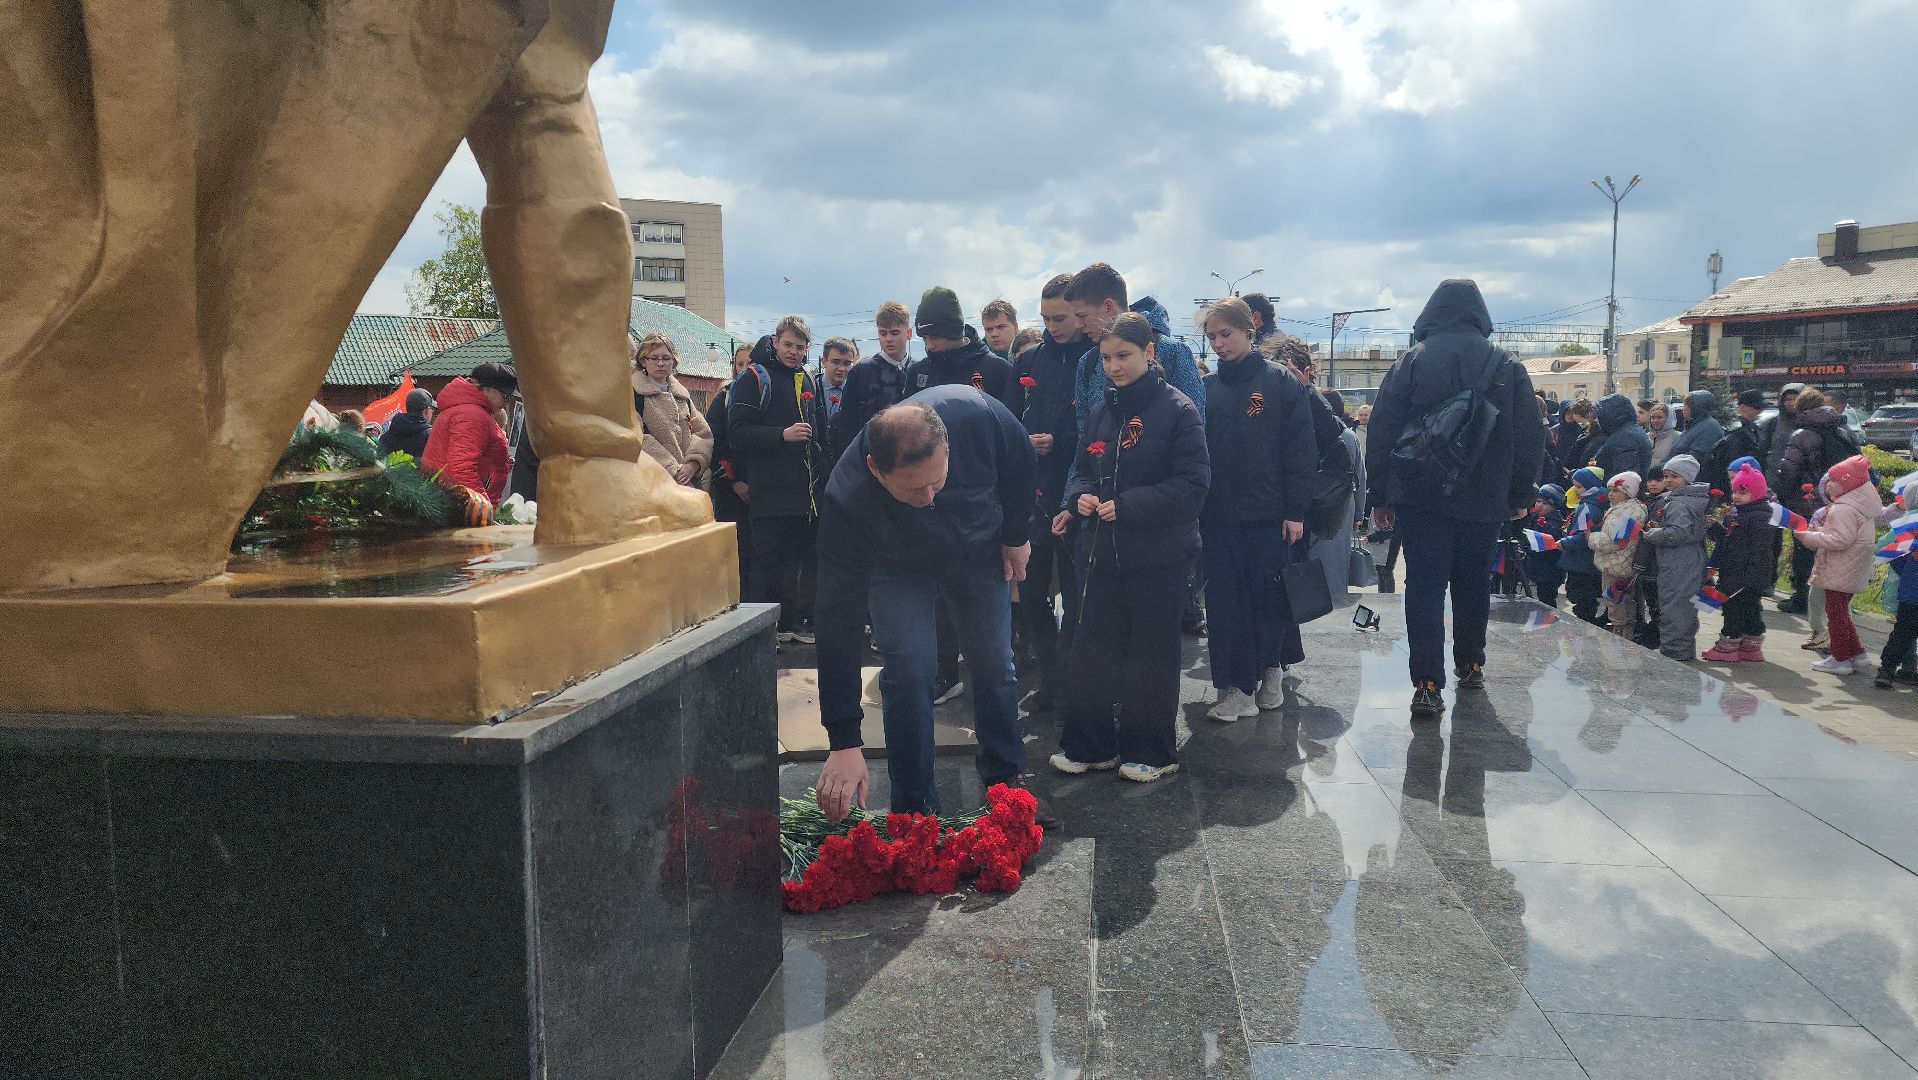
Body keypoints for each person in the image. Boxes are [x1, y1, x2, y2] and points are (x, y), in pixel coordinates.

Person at [811, 390, 1041, 821]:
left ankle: (1006, 786)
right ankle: (914, 811)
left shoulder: (980, 417)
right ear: (876, 470)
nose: (930, 496)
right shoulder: (847, 500)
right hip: (897, 567)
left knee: (993, 662)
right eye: (914, 489)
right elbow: (836, 619)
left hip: (977, 547)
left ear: (948, 448)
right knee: (909, 668)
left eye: (939, 480)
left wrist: (1015, 533)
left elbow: (1021, 466)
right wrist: (843, 740)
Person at [1366, 279, 1544, 719]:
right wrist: (1521, 493)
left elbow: (1382, 429)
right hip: (1484, 497)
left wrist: (1381, 494)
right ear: (1479, 315)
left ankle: (1426, 682)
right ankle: (1470, 662)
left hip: (1420, 495)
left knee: (1424, 586)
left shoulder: (1411, 361)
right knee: (1473, 583)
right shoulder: (1506, 365)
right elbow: (1529, 435)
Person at [1049, 313, 1209, 783]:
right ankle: (1090, 745)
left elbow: (1193, 487)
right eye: (1107, 358)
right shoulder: (1102, 410)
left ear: (1150, 354)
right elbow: (1082, 467)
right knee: (1092, 651)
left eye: (1124, 356)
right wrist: (1080, 498)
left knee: (1150, 655)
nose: (1114, 367)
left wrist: (1130, 505)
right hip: (1101, 552)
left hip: (1158, 554)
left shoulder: (1179, 410)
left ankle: (1151, 751)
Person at [1198, 298, 1318, 721]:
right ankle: (1236, 687)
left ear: (1249, 330)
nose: (1218, 344)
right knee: (1226, 602)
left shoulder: (1281, 382)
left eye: (1225, 334)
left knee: (1267, 598)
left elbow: (1300, 450)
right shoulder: (1207, 389)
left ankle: (1271, 671)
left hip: (1269, 516)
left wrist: (1296, 511)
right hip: (1219, 516)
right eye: (1211, 337)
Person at [728, 316, 828, 645]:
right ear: (775, 342)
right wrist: (781, 435)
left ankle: (789, 625)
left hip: (804, 493)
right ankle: (760, 632)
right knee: (765, 564)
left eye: (800, 347)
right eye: (788, 345)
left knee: (795, 563)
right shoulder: (755, 377)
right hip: (769, 493)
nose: (794, 352)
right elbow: (737, 434)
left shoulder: (808, 378)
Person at [1014, 274, 1087, 712]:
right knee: (1032, 592)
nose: (1054, 326)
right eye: (1046, 318)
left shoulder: (1094, 358)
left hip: (1076, 491)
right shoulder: (1030, 361)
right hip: (1034, 494)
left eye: (1061, 317)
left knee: (1078, 596)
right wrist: (1025, 437)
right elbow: (1006, 418)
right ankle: (1050, 675)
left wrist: (1058, 441)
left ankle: (1075, 678)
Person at [1064, 263, 1205, 445]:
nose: (1078, 325)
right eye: (1107, 358)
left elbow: (1195, 435)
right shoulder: (1087, 362)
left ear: (1108, 306)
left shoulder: (1173, 352)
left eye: (1082, 316)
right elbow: (1085, 442)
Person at [1778, 389, 1861, 615]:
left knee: (1805, 549)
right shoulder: (1843, 431)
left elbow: (1788, 470)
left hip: (1807, 501)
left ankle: (1802, 599)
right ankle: (1832, 601)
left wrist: (1781, 496)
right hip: (1840, 502)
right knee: (1832, 551)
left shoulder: (1801, 435)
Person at [1797, 455, 1883, 676]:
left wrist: (1809, 538)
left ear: (1847, 482)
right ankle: (1856, 652)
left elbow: (1839, 540)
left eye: (1833, 480)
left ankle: (1840, 658)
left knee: (1835, 613)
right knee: (1841, 612)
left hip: (1840, 569)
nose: (1827, 483)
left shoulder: (1843, 508)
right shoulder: (1860, 505)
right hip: (1851, 568)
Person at [1702, 464, 1779, 663]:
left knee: (1733, 608)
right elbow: (1729, 542)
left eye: (1742, 493)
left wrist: (1750, 576)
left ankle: (1729, 645)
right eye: (1734, 491)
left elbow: (1759, 550)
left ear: (1757, 493)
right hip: (1736, 570)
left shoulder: (1760, 517)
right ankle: (1750, 646)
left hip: (1745, 574)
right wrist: (1716, 528)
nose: (1736, 496)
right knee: (1750, 608)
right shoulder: (1740, 515)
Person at [1641, 454, 1711, 661]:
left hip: (1680, 561)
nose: (1669, 481)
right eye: (1666, 476)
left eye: (1675, 476)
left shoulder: (1679, 504)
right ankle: (1680, 648)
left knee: (1675, 606)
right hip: (1685, 559)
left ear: (1687, 479)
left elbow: (1680, 533)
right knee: (1682, 604)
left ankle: (1675, 651)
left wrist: (1653, 534)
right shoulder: (1683, 500)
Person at [905, 287, 1018, 411]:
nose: (929, 345)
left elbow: (1010, 425)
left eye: (935, 337)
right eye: (924, 338)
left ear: (954, 332)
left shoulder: (998, 370)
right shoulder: (917, 373)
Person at [419, 362, 517, 504]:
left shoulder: (469, 410)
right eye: (506, 396)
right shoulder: (472, 415)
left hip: (444, 495)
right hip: (452, 502)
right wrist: (483, 506)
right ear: (489, 389)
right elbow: (462, 467)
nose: (506, 402)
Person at [831, 301, 915, 466]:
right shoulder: (861, 371)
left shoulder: (919, 370)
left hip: (913, 458)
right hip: (872, 460)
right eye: (883, 333)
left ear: (909, 333)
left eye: (895, 332)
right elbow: (848, 423)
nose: (888, 339)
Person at [632, 332, 713, 489]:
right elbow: (637, 437)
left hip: (691, 482)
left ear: (674, 361)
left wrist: (693, 463)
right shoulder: (634, 394)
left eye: (666, 358)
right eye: (654, 358)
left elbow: (702, 434)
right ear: (643, 361)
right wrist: (673, 470)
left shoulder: (682, 396)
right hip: (652, 483)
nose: (660, 363)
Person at [708, 344, 754, 596]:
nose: (744, 368)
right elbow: (716, 441)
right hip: (731, 488)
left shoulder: (763, 393)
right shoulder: (725, 396)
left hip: (760, 485)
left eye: (749, 363)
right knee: (735, 550)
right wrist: (733, 481)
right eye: (740, 364)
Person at [1590, 472, 1645, 635]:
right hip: (1621, 563)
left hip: (1616, 565)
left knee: (1615, 602)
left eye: (1616, 491)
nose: (1610, 494)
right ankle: (1625, 633)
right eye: (1610, 490)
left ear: (1627, 492)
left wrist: (1591, 537)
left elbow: (1613, 542)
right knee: (1624, 601)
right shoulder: (1629, 508)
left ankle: (1619, 635)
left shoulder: (1626, 513)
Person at [1874, 488, 1918, 689]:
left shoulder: (1911, 526)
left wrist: (1906, 574)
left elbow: (1896, 557)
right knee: (1903, 633)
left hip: (1910, 591)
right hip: (1911, 590)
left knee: (1902, 632)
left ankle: (1886, 670)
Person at [1557, 466, 1608, 624]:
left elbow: (1582, 536)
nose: (1575, 490)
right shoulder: (1589, 504)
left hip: (1582, 560)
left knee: (1580, 593)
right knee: (1581, 592)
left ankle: (1587, 621)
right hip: (1583, 560)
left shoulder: (1588, 508)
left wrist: (1565, 543)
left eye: (1579, 486)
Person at [1522, 483, 1568, 607]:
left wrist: (1528, 547)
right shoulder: (1536, 518)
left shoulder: (1554, 524)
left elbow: (1548, 546)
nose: (1540, 505)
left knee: (1546, 597)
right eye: (1538, 501)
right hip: (1540, 567)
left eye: (1545, 503)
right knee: (1542, 595)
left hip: (1549, 569)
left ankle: (1548, 620)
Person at [1590, 393, 1652, 481]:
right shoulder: (1628, 431)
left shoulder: (1624, 438)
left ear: (1609, 415)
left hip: (1617, 491)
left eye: (1599, 416)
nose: (1597, 420)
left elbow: (1623, 478)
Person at [1666, 389, 1724, 473]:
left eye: (1686, 406)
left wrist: (1667, 466)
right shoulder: (1693, 425)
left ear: (1696, 408)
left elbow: (1697, 456)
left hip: (1692, 477)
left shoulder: (1709, 427)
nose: (1683, 409)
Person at [817, 336, 857, 450]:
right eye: (836, 362)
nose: (841, 368)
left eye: (847, 363)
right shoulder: (812, 388)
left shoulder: (857, 391)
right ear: (824, 361)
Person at [377, 388, 436, 459]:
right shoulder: (431, 437)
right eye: (432, 409)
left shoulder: (385, 437)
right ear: (426, 411)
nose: (433, 412)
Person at [1640, 399, 1676, 467]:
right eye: (1652, 417)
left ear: (1668, 418)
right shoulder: (1645, 437)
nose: (1655, 421)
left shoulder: (1677, 437)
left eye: (1659, 417)